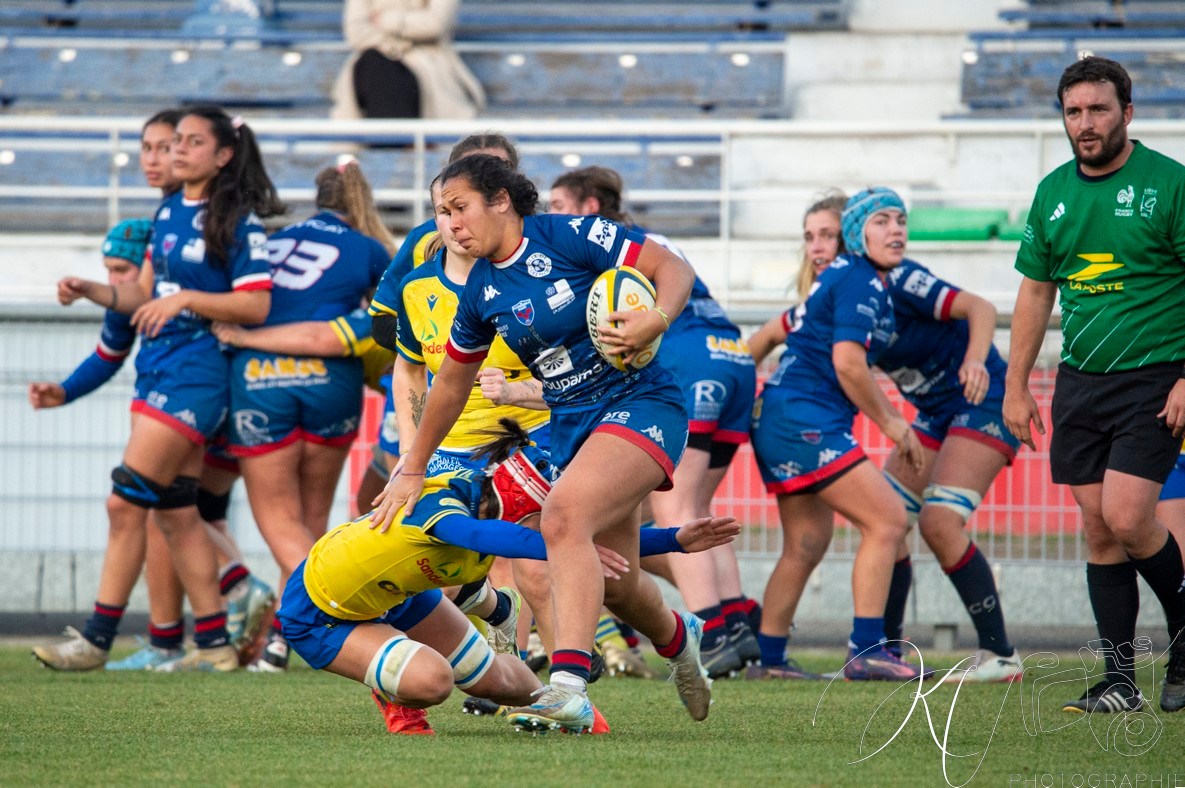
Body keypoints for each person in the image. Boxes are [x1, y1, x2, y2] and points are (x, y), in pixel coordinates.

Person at [373, 154, 713, 733]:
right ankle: (681, 638)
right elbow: (449, 386)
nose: (450, 225)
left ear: (501, 200)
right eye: (441, 214)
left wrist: (656, 316)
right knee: (620, 583)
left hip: (644, 406)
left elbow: (670, 265)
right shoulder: (479, 290)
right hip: (572, 426)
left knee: (562, 517)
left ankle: (568, 687)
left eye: (459, 208)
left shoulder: (568, 235)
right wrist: (412, 466)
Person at [280, 420, 740, 734]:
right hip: (322, 613)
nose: (549, 524)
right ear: (520, 505)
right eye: (543, 516)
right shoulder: (441, 500)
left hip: (395, 597)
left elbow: (585, 543)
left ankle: (569, 707)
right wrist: (567, 547)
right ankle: (394, 685)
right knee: (433, 681)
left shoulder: (494, 519)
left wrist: (676, 538)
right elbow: (483, 534)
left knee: (510, 684)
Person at [36, 106, 284, 673]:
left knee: (124, 501)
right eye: (175, 142)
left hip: (196, 377)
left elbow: (256, 303)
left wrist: (187, 299)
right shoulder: (169, 210)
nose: (176, 151)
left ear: (223, 155)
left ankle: (97, 638)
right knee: (176, 511)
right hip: (159, 371)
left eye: (191, 143)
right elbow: (142, 295)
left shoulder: (236, 220)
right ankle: (217, 644)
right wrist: (93, 289)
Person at [1004, 56, 1185, 714]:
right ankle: (1119, 681)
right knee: (1098, 530)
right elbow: (1033, 289)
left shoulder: (1168, 184)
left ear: (1127, 113)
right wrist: (1016, 384)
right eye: (1073, 111)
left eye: (1098, 109)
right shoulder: (1052, 191)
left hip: (1155, 377)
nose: (1084, 122)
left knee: (1128, 517)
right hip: (1080, 381)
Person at [547, 166, 761, 679]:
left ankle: (708, 636)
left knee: (673, 507)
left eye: (557, 205)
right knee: (693, 508)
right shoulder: (649, 241)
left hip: (682, 360)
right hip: (731, 354)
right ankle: (735, 626)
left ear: (589, 207)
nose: (551, 217)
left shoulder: (599, 251)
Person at [746, 187, 925, 682]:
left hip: (782, 417)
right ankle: (867, 650)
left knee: (805, 542)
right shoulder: (860, 279)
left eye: (901, 221)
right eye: (882, 221)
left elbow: (770, 342)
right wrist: (892, 421)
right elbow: (848, 363)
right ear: (857, 233)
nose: (896, 230)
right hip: (804, 417)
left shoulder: (845, 279)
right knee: (888, 519)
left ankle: (771, 658)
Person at [224, 160, 389, 672]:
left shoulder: (266, 241)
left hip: (258, 378)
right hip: (332, 380)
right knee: (313, 520)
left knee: (279, 520)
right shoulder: (369, 248)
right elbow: (388, 323)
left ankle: (333, 608)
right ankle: (280, 639)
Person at [331, 0, 485, 121]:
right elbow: (356, 32)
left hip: (429, 66)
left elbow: (434, 25)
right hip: (375, 64)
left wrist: (386, 19)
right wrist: (401, 40)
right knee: (377, 66)